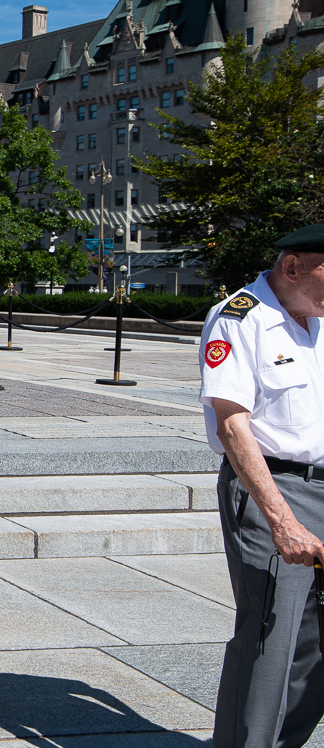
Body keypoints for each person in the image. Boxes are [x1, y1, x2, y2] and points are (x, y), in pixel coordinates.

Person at [202, 224, 324, 748]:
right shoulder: (240, 318)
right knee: (270, 635)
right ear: (293, 267)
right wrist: (281, 519)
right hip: (275, 489)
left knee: (316, 644)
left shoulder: (318, 319)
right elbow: (233, 425)